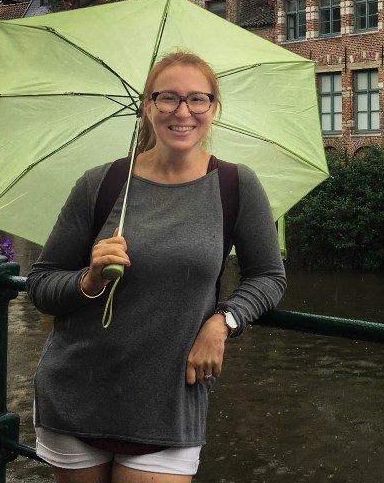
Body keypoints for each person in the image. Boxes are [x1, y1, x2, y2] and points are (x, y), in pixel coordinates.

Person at [26, 50, 286, 482]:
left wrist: (224, 320)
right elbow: (41, 285)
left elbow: (269, 276)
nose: (182, 111)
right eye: (167, 98)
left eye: (197, 99)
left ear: (213, 109)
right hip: (77, 395)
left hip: (169, 403)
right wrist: (88, 280)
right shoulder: (101, 183)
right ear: (147, 107)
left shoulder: (234, 185)